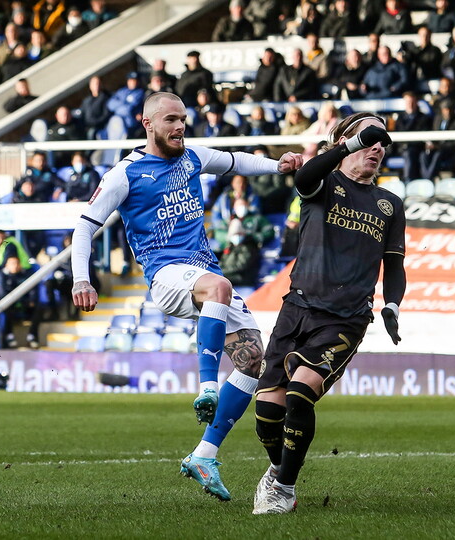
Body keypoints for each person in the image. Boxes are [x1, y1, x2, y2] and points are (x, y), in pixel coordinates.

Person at [71, 92, 303, 501]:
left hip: (201, 272)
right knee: (220, 285)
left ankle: (204, 455)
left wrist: (277, 164)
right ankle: (207, 387)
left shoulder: (193, 157)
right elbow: (85, 227)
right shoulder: (125, 175)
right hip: (166, 275)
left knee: (253, 360)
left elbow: (235, 160)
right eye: (171, 120)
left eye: (183, 119)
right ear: (148, 124)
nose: (180, 127)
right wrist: (81, 280)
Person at [251, 113, 405, 515]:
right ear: (344, 142)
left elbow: (395, 263)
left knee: (301, 393)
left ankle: (283, 488)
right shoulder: (323, 182)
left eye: (382, 141)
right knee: (267, 414)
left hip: (345, 318)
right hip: (297, 308)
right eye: (368, 138)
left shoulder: (389, 204)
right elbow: (305, 178)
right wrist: (346, 145)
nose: (377, 146)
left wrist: (391, 304)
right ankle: (277, 470)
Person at [220, 199, 275, 288]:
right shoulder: (230, 247)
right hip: (231, 279)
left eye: (238, 233)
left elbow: (241, 265)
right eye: (234, 234)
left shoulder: (249, 246)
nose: (236, 236)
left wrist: (221, 272)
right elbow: (223, 261)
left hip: (244, 280)